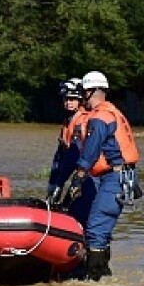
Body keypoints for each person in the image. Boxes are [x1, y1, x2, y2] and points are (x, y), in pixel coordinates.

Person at [68, 70, 140, 281]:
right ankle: (103, 274)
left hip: (115, 178)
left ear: (90, 92)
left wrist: (79, 175)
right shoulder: (113, 112)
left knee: (96, 227)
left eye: (83, 93)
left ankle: (94, 280)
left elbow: (91, 149)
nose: (81, 98)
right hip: (120, 176)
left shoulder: (100, 117)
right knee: (99, 226)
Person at [46, 78, 96, 226]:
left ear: (80, 100)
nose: (69, 102)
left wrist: (60, 183)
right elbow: (60, 156)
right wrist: (54, 183)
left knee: (78, 211)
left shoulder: (82, 121)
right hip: (77, 172)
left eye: (73, 99)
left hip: (88, 175)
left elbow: (74, 155)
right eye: (66, 99)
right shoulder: (68, 121)